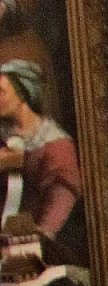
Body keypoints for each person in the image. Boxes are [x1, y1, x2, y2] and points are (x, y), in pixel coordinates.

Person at [0, 58, 83, 244]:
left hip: (30, 242)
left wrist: (39, 237)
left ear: (22, 95)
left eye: (1, 92)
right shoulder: (2, 134)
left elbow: (62, 195)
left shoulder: (56, 144)